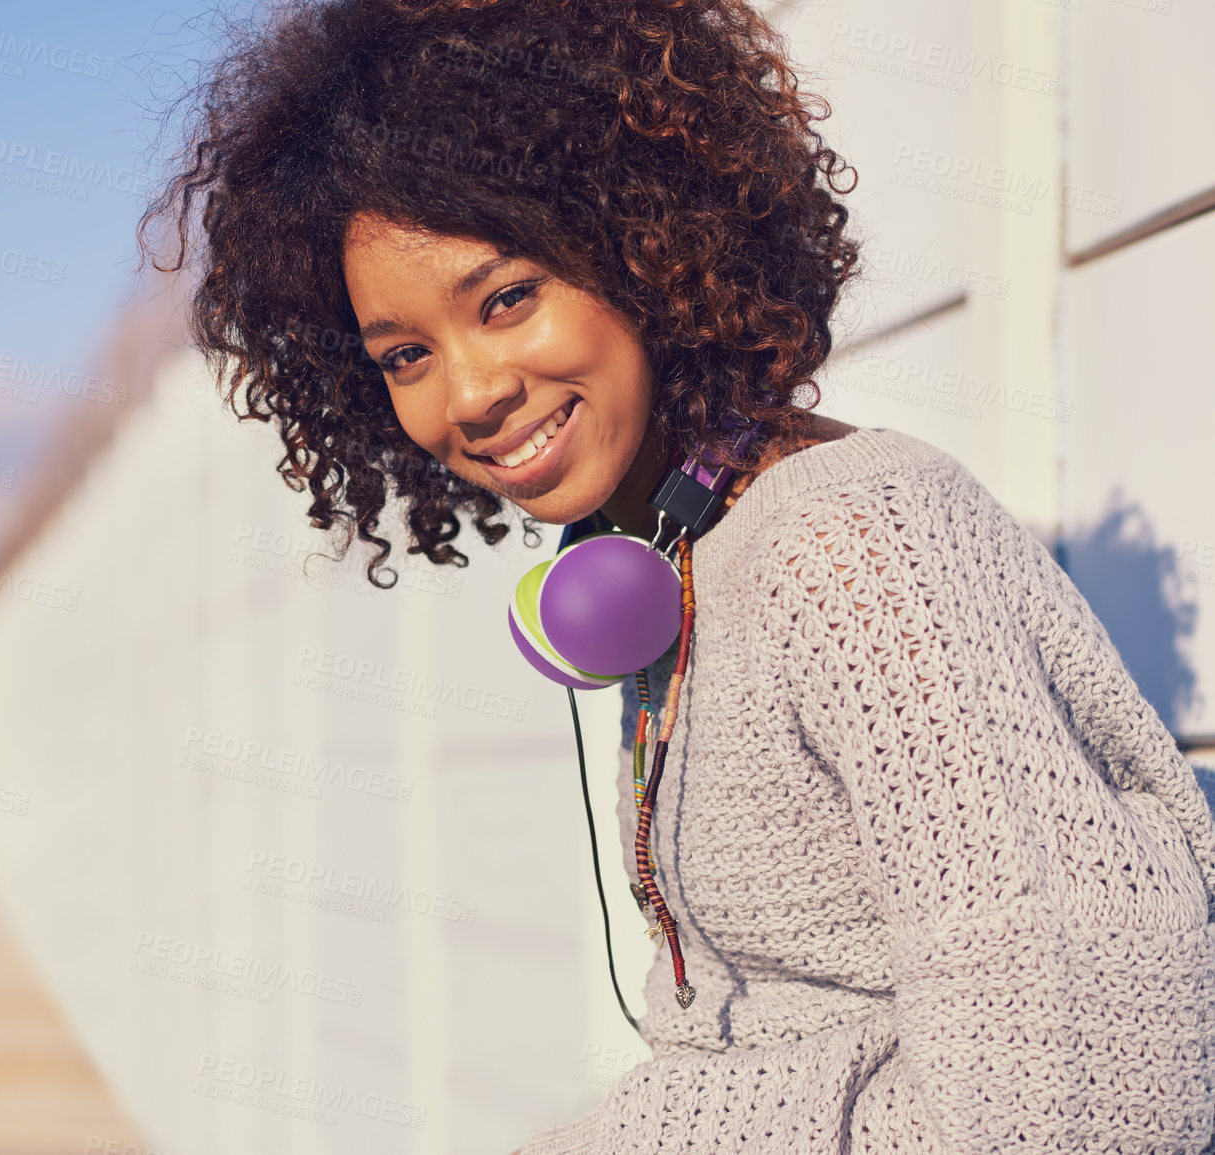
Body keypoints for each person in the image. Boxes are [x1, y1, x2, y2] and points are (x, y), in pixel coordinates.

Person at [138, 0, 1215, 1150]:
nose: (468, 393)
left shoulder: (857, 542)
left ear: (644, 245)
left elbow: (1096, 1102)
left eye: (507, 298)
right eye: (406, 355)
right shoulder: (670, 552)